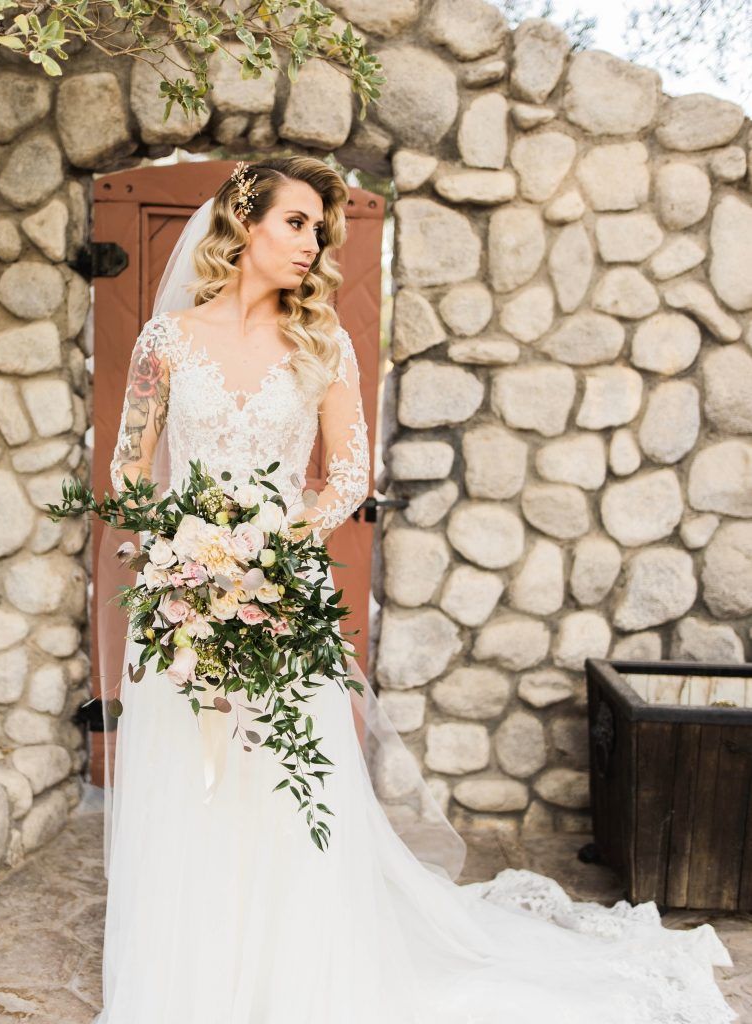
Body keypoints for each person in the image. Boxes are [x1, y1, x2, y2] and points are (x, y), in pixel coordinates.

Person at [91, 156, 737, 1023]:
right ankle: (193, 979)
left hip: (281, 594)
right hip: (183, 593)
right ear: (244, 223)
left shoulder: (321, 342)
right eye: (295, 222)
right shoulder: (164, 343)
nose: (311, 243)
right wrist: (184, 551)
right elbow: (128, 470)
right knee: (192, 784)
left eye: (320, 229)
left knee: (283, 783)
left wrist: (267, 553)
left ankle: (292, 977)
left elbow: (346, 472)